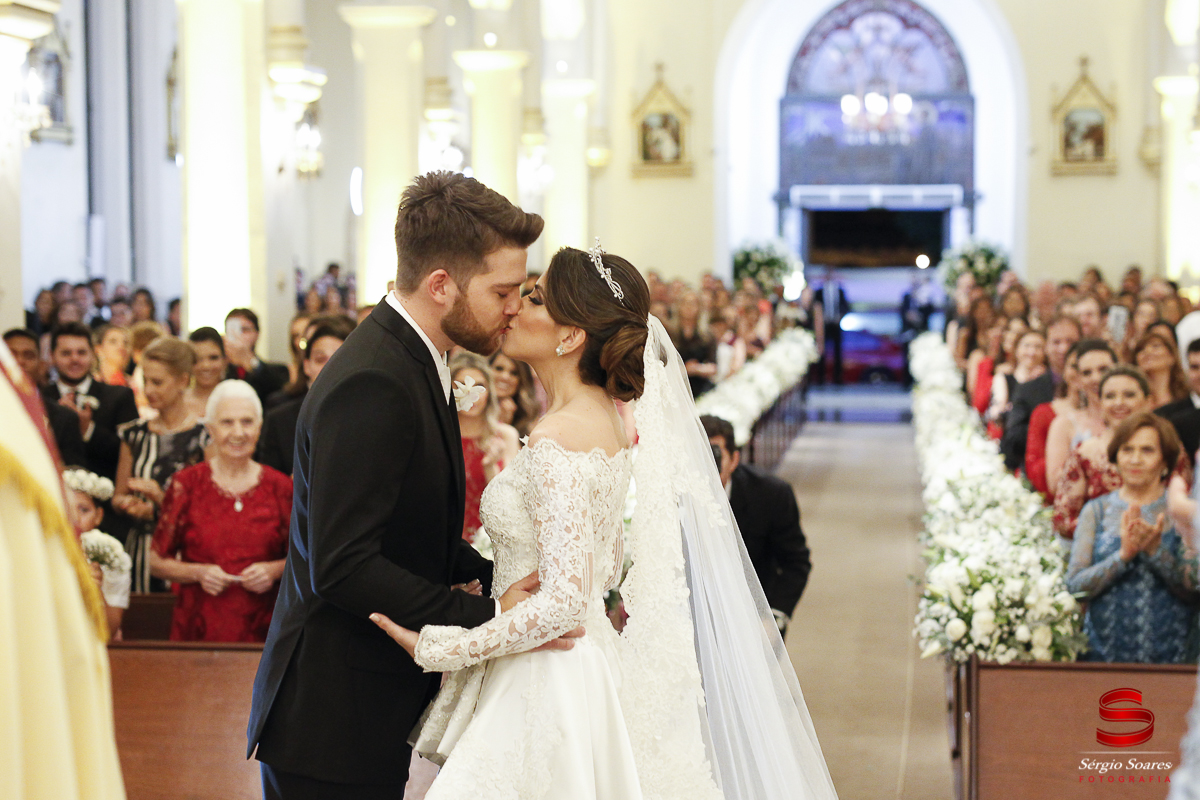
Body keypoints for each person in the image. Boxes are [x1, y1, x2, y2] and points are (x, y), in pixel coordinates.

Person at [373, 244, 837, 800]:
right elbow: (605, 566)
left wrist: (443, 645)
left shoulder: (558, 436)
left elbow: (566, 601)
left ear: (570, 337)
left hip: (544, 675)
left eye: (536, 297)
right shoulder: (603, 424)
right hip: (576, 664)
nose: (516, 306)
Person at [248, 171, 548, 799]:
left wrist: (508, 581)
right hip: (331, 716)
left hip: (366, 701)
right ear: (441, 285)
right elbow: (344, 563)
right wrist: (487, 615)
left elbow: (408, 533)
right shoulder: (374, 380)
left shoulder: (417, 358)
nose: (515, 306)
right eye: (503, 290)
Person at [149, 380, 292, 642]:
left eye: (247, 422)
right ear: (210, 428)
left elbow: (304, 558)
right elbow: (156, 562)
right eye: (227, 422)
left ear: (259, 428)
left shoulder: (281, 487)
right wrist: (199, 572)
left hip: (266, 630)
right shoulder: (186, 485)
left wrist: (273, 571)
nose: (238, 432)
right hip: (198, 626)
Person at [1066, 412, 1197, 663]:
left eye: (1147, 450)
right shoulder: (1096, 510)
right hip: (1102, 659)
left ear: (1165, 462)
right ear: (1116, 457)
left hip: (1175, 662)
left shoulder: (1182, 511)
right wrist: (1123, 556)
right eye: (1127, 450)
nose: (1135, 459)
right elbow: (1075, 585)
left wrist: (1156, 552)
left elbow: (1193, 590)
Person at [112, 337, 209, 591]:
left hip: (187, 552)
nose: (149, 390)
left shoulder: (204, 436)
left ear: (183, 381)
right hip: (141, 550)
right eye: (146, 381)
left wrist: (159, 500)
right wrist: (128, 504)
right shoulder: (133, 434)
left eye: (158, 382)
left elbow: (209, 507)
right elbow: (118, 495)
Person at [702, 414, 811, 636]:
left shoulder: (771, 494)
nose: (706, 465)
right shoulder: (672, 496)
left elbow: (796, 562)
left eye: (714, 455)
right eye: (699, 454)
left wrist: (775, 616)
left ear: (734, 460)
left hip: (756, 617)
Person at [42, 322, 139, 481]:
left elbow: (131, 454)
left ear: (93, 354)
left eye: (81, 352)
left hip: (105, 493)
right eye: (66, 353)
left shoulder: (119, 396)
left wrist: (88, 429)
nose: (75, 359)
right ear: (52, 356)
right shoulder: (42, 399)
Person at [257, 321, 351, 475]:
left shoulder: (367, 416)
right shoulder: (279, 420)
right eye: (321, 359)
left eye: (338, 359)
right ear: (307, 366)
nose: (328, 367)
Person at [451, 352, 520, 543]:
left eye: (479, 386)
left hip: (489, 543)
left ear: (489, 391)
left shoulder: (506, 436)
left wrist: (490, 466)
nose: (470, 394)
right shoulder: (440, 434)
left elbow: (510, 504)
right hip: (444, 542)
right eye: (461, 385)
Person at [1002, 315, 1081, 471]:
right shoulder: (1028, 389)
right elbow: (1013, 438)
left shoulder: (1095, 386)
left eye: (1070, 342)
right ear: (1046, 347)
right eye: (1056, 342)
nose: (1064, 349)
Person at [4, 327, 86, 468]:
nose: (20, 361)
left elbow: (74, 473)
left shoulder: (64, 418)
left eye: (28, 356)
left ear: (41, 365)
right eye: (11, 355)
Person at [64, 466, 130, 638]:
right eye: (66, 507)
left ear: (99, 516)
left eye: (84, 510)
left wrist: (96, 589)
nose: (75, 517)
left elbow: (110, 630)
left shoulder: (111, 553)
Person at [1043, 340, 1116, 495]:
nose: (1096, 378)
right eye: (1087, 373)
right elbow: (1055, 484)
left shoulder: (1134, 422)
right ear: (1079, 380)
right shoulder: (1064, 425)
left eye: (1103, 369)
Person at [224, 308, 289, 406]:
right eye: (233, 330)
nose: (239, 335)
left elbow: (277, 393)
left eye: (245, 330)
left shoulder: (277, 371)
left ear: (256, 334)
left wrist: (250, 362)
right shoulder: (219, 370)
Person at [489, 350, 541, 437]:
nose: (505, 377)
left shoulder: (530, 420)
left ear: (522, 381)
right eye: (499, 368)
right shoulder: (471, 407)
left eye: (514, 373)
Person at [1133, 329, 1189, 409]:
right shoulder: (1132, 398)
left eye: (1155, 346)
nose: (1147, 351)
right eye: (1141, 349)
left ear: (1172, 357)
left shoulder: (1187, 395)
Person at [185, 326, 230, 419]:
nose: (206, 366)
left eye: (213, 358)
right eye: (197, 359)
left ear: (225, 360)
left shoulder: (238, 399)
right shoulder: (177, 402)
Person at [816, 269, 848, 384]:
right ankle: (821, 378)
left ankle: (838, 378)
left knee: (838, 352)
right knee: (821, 350)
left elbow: (846, 306)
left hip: (836, 323)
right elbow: (816, 306)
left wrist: (840, 316)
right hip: (823, 324)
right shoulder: (819, 291)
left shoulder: (839, 290)